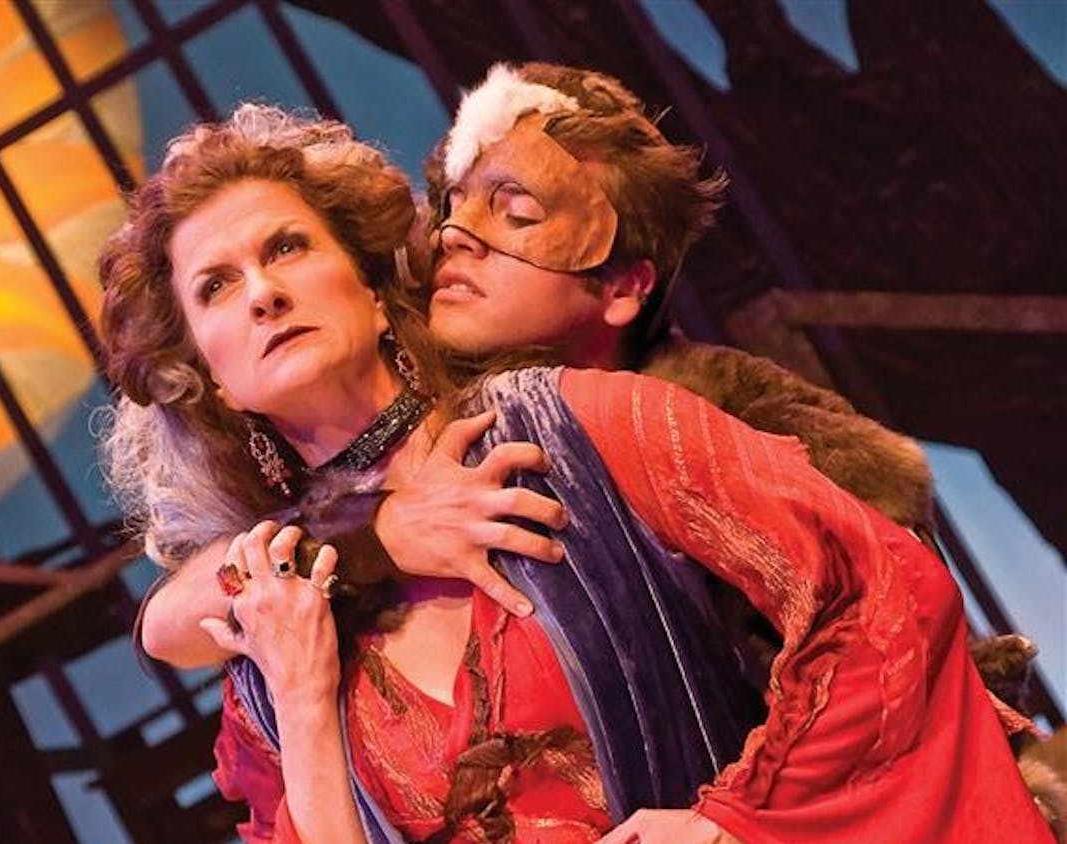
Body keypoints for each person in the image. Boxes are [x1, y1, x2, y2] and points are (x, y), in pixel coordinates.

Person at [97, 103, 1050, 842]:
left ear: (376, 287)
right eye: (215, 286)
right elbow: (167, 625)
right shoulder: (271, 649)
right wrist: (308, 701)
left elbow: (874, 587)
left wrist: (743, 820)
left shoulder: (580, 430)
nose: (262, 291)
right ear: (212, 380)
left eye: (288, 247)